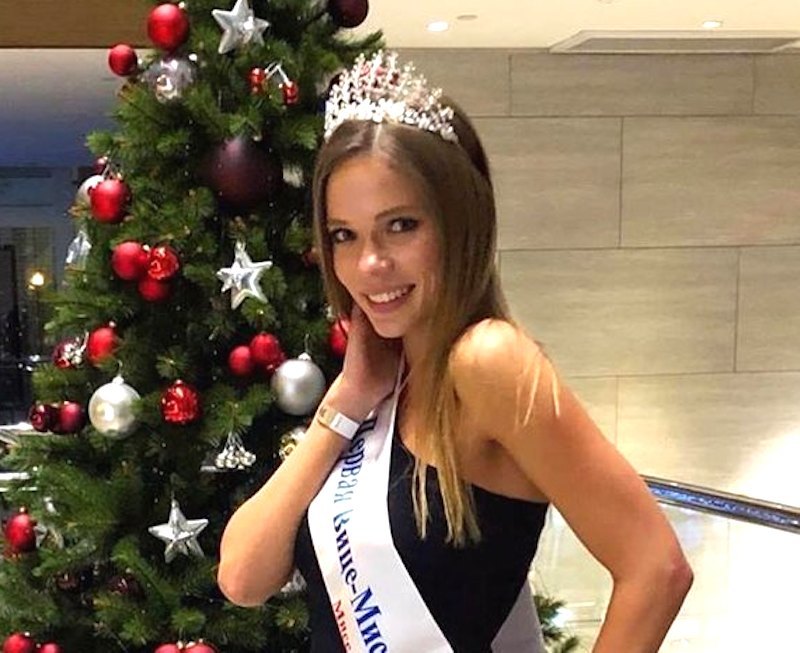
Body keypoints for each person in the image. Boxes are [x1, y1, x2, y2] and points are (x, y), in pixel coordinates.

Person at [218, 50, 693, 652]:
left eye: (400, 226)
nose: (370, 263)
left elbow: (656, 567)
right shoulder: (384, 376)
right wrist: (346, 403)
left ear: (458, 220)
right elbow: (243, 578)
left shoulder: (488, 361)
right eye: (345, 235)